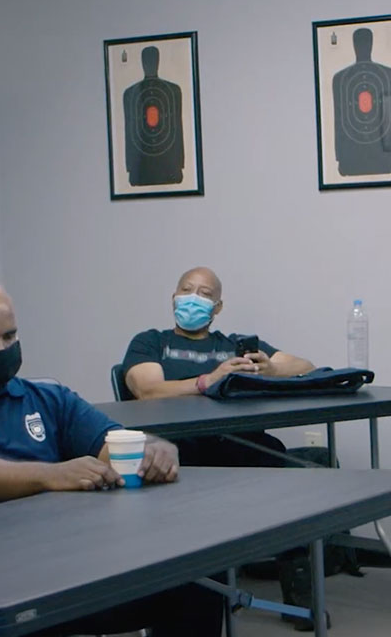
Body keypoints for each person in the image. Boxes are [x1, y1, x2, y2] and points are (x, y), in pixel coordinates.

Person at [0, 276, 222, 637]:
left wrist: (154, 450)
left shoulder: (47, 398)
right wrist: (54, 475)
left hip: (50, 564)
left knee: (196, 580)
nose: (0, 348)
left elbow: (112, 441)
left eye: (9, 336)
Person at [122, 266, 323, 630]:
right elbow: (146, 389)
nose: (193, 299)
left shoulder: (230, 345)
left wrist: (270, 369)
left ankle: (300, 591)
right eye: (187, 290)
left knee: (298, 478)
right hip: (178, 448)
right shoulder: (150, 342)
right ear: (173, 297)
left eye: (204, 294)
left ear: (217, 308)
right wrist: (210, 380)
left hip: (236, 443)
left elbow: (305, 366)